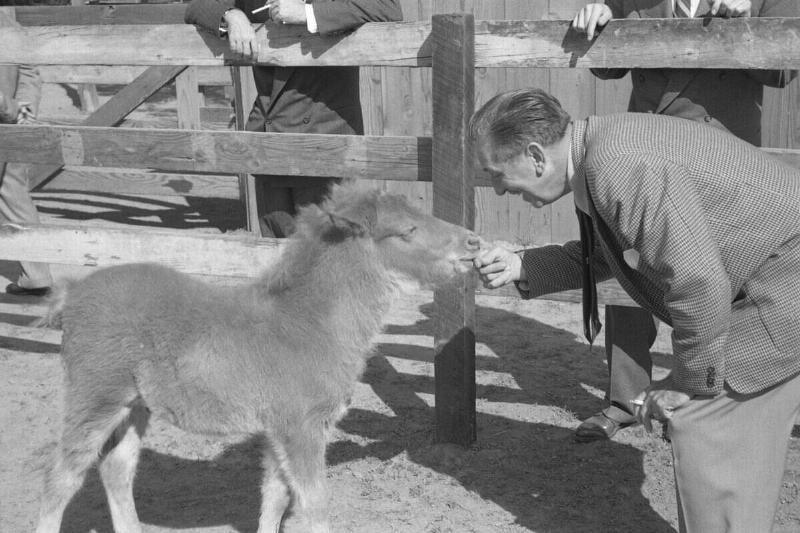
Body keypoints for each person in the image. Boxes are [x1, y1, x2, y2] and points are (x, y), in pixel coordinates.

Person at [470, 86, 800, 533]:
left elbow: (698, 282)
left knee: (704, 421)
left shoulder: (616, 165)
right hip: (777, 276)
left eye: (496, 173)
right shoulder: (603, 149)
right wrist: (521, 264)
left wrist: (688, 387)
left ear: (534, 156)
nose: (496, 189)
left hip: (785, 284)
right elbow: (614, 251)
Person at [568, 0, 799, 442]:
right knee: (628, 264)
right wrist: (597, 19)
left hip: (722, 164)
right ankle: (625, 399)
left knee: (716, 282)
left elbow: (784, 71)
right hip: (646, 154)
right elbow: (603, 68)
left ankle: (705, 401)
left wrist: (746, 16)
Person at [185, 0, 403, 237]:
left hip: (324, 141)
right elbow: (196, 7)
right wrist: (231, 15)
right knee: (277, 251)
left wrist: (307, 12)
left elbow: (386, 7)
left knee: (328, 255)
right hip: (268, 140)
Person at [0, 8, 52, 297]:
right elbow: (29, 71)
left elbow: (29, 69)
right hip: (9, 118)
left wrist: (22, 110)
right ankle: (37, 275)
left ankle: (37, 275)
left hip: (7, 120)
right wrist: (20, 109)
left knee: (13, 191)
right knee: (13, 193)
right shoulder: (7, 20)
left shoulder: (6, 21)